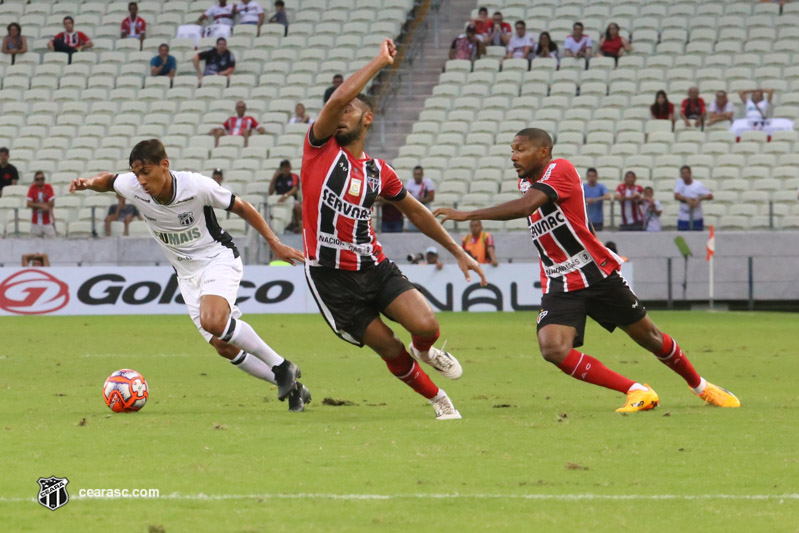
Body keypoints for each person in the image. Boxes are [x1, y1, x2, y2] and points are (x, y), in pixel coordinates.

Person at [434, 128, 740, 412]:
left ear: (544, 152)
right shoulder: (526, 183)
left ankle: (701, 387)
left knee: (651, 338)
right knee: (553, 348)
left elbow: (527, 207)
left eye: (520, 149)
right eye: (512, 150)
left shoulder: (560, 169)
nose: (513, 156)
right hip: (562, 281)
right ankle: (637, 391)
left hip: (595, 274)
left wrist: (467, 214)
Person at [301, 39, 486, 420]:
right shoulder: (319, 149)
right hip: (332, 277)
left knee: (426, 325)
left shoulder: (378, 171)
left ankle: (425, 351)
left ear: (367, 118)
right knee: (388, 346)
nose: (340, 114)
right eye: (339, 108)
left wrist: (457, 250)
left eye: (351, 110)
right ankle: (440, 401)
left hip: (374, 266)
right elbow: (336, 99)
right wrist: (378, 62)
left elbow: (416, 212)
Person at [69, 139, 310, 411]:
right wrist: (89, 182)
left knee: (214, 321)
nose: (141, 180)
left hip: (216, 258)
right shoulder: (134, 186)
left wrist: (274, 243)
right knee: (223, 346)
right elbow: (110, 180)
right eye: (136, 173)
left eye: (146, 172)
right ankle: (294, 388)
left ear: (164, 165)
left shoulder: (195, 186)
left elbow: (242, 206)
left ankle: (282, 366)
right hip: (186, 274)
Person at [674, 165, 713, 231]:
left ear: (690, 173)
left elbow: (710, 196)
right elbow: (676, 195)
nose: (685, 175)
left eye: (686, 173)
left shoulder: (697, 185)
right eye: (683, 173)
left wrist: (699, 199)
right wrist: (687, 199)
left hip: (696, 217)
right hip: (683, 217)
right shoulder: (679, 182)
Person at [268, 159, 302, 232]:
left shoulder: (294, 176)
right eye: (283, 167)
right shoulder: (278, 178)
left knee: (297, 206)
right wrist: (274, 178)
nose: (285, 169)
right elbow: (270, 192)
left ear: (290, 167)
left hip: (291, 199)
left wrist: (286, 196)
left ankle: (296, 225)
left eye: (287, 167)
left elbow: (295, 188)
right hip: (279, 201)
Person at [404, 165, 435, 232]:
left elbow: (431, 198)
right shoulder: (410, 183)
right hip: (413, 213)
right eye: (415, 174)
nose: (417, 176)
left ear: (422, 174)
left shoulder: (428, 182)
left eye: (419, 174)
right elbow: (406, 197)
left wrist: (415, 201)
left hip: (425, 212)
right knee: (412, 232)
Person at [27, 171, 56, 239]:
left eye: (42, 178)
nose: (40, 180)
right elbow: (28, 203)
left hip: (48, 221)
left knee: (53, 243)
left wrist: (38, 205)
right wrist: (42, 206)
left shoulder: (48, 187)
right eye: (37, 179)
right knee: (35, 246)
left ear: (44, 179)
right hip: (35, 222)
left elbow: (52, 202)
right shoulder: (32, 188)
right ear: (35, 180)